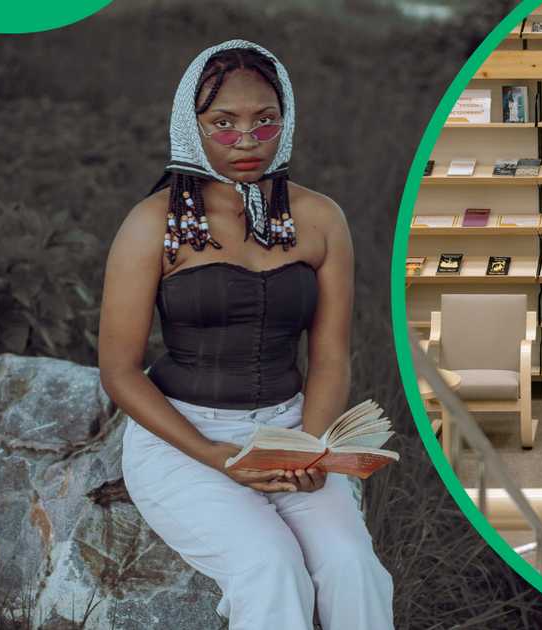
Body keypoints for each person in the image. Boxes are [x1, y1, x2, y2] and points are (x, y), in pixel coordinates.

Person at [97, 40, 393, 630]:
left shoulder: (320, 219)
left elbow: (330, 355)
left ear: (285, 120)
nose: (248, 141)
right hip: (186, 442)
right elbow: (120, 370)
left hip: (291, 429)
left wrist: (309, 447)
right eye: (223, 123)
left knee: (352, 565)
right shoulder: (153, 223)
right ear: (192, 125)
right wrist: (214, 455)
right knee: (269, 566)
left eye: (265, 120)